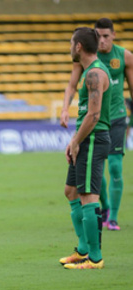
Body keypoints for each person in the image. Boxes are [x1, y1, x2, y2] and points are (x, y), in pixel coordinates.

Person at [61, 18, 133, 231]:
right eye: (98, 36)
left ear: (113, 36)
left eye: (105, 36)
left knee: (114, 166)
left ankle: (112, 218)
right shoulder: (87, 60)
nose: (101, 40)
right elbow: (71, 85)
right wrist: (65, 108)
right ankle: (106, 207)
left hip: (115, 118)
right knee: (92, 177)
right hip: (95, 123)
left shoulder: (123, 57)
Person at [59, 27, 112, 269]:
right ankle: (82, 250)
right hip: (83, 138)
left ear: (78, 46)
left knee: (88, 195)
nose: (70, 47)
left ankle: (95, 257)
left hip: (92, 139)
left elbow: (94, 115)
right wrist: (74, 141)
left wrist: (77, 141)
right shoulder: (90, 72)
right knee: (71, 191)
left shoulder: (95, 74)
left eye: (71, 43)